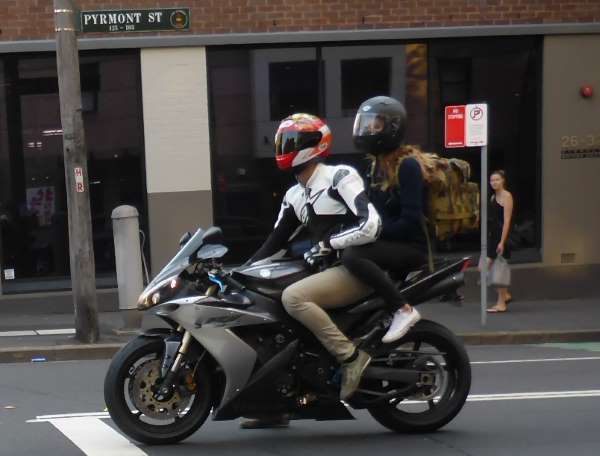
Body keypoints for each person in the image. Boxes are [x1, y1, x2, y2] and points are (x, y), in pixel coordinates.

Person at [241, 113, 382, 429]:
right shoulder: (295, 194)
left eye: (291, 143)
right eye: (283, 142)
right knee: (264, 304)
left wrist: (331, 243)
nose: (284, 148)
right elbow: (274, 243)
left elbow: (370, 224)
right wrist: (238, 273)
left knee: (293, 297)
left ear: (314, 145)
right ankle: (275, 405)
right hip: (326, 272)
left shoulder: (339, 177)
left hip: (356, 269)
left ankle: (350, 357)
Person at [342, 96, 433, 343]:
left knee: (352, 255)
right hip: (389, 242)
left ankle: (402, 309)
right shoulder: (375, 167)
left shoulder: (408, 166)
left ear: (393, 127)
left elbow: (411, 220)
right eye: (366, 124)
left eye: (376, 125)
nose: (368, 130)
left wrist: (374, 232)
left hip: (411, 248)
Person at [486, 169, 514, 313]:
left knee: (499, 270)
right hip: (493, 236)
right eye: (492, 180)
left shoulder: (507, 196)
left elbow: (507, 221)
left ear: (503, 180)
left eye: (497, 180)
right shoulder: (492, 197)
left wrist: (502, 242)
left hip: (502, 237)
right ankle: (505, 295)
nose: (494, 182)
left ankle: (501, 303)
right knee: (486, 267)